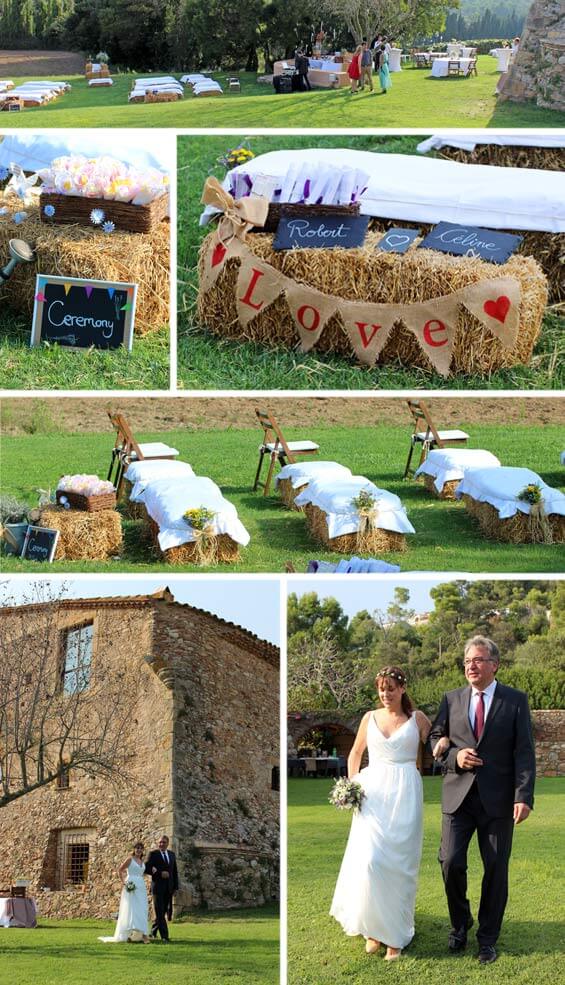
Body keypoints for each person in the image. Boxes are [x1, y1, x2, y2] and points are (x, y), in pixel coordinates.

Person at [429, 635, 536, 965]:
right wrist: (455, 757)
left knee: (495, 869)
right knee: (450, 862)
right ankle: (460, 926)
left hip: (499, 801)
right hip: (457, 799)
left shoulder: (515, 701)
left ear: (494, 664)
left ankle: (487, 938)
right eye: (466, 662)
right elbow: (435, 738)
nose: (470, 666)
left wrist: (524, 796)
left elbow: (524, 752)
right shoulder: (451, 699)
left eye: (476, 660)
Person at [330, 666, 449, 960]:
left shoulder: (416, 718)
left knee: (399, 865)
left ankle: (395, 935)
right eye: (382, 689)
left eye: (391, 689)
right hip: (372, 794)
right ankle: (373, 929)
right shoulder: (369, 718)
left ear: (403, 689)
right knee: (370, 861)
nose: (386, 694)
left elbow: (435, 741)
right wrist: (352, 786)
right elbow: (355, 753)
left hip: (406, 791)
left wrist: (444, 743)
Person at [98, 841, 150, 943]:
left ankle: (139, 934)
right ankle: (136, 933)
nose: (139, 850)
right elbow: (120, 870)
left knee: (142, 908)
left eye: (141, 848)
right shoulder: (130, 859)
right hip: (131, 885)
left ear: (143, 850)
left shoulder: (141, 861)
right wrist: (124, 883)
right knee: (131, 908)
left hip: (140, 886)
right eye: (137, 848)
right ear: (134, 849)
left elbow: (141, 873)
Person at [145, 834, 179, 941]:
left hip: (169, 888)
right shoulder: (153, 854)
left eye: (164, 842)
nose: (161, 844)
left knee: (163, 911)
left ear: (167, 843)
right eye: (160, 842)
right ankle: (165, 936)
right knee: (159, 911)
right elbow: (146, 868)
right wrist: (159, 873)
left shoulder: (172, 854)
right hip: (157, 888)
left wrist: (175, 887)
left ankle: (153, 932)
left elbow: (174, 872)